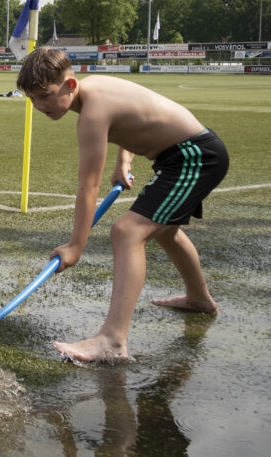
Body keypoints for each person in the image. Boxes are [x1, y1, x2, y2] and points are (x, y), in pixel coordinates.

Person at [17, 47, 227, 363]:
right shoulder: (93, 91)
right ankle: (200, 299)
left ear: (70, 85)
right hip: (178, 157)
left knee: (127, 232)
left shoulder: (92, 114)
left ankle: (112, 341)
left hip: (194, 157)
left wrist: (76, 246)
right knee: (165, 231)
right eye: (32, 99)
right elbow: (135, 114)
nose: (38, 106)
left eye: (45, 96)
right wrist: (125, 158)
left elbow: (88, 186)